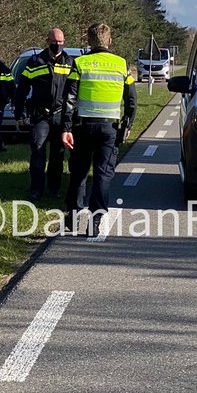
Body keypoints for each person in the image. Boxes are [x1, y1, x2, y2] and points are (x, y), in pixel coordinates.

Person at [60, 23, 137, 236]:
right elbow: (131, 100)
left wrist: (65, 127)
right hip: (109, 128)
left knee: (79, 172)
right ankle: (95, 221)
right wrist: (127, 125)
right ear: (110, 41)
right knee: (103, 174)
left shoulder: (80, 63)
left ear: (89, 41)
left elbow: (69, 99)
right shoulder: (121, 65)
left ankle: (74, 214)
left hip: (82, 126)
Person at [15, 28, 74, 202]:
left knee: (58, 155)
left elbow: (74, 91)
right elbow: (22, 90)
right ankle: (36, 190)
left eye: (61, 42)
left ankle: (54, 189)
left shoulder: (69, 62)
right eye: (55, 42)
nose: (58, 45)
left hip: (60, 115)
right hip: (40, 115)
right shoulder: (35, 62)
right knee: (38, 153)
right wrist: (19, 113)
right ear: (47, 41)